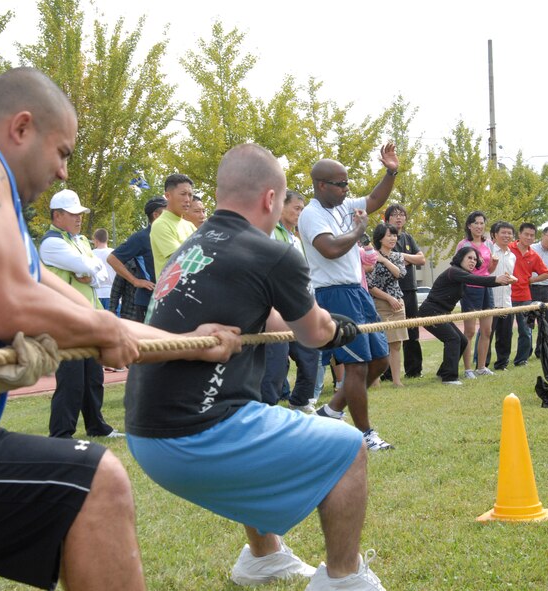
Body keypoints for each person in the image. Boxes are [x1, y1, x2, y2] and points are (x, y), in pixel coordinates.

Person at [0, 67, 240, 590]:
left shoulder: (3, 230)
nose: (65, 174)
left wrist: (196, 345)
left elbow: (103, 326)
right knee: (95, 483)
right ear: (21, 128)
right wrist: (97, 327)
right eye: (62, 152)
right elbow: (12, 308)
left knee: (83, 494)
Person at [125, 143, 386, 590]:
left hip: (145, 435)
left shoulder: (192, 246)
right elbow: (312, 334)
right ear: (270, 199)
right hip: (195, 435)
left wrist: (321, 322)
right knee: (348, 449)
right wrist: (336, 328)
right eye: (283, 200)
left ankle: (263, 558)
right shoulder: (270, 252)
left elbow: (272, 318)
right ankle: (344, 580)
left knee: (253, 414)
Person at [298, 143, 400, 452]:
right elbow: (329, 250)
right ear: (321, 185)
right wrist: (358, 231)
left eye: (347, 183)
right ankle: (366, 434)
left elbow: (374, 199)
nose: (346, 189)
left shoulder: (344, 204)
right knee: (355, 367)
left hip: (358, 290)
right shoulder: (311, 215)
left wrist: (391, 171)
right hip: (334, 293)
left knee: (380, 360)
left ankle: (330, 412)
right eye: (340, 184)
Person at [40, 189, 121, 439]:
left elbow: (100, 272)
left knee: (93, 377)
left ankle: (97, 426)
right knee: (71, 379)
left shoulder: (81, 241)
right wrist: (90, 271)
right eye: (73, 214)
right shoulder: (52, 243)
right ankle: (61, 433)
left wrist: (90, 273)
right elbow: (87, 266)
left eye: (80, 214)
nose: (79, 218)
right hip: (66, 320)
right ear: (57, 215)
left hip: (88, 318)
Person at [418, 246, 516, 385]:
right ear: (460, 258)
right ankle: (449, 378)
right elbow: (477, 280)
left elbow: (478, 282)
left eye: (475, 259)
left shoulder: (461, 276)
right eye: (469, 258)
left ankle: (443, 372)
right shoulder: (454, 271)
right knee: (453, 339)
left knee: (462, 340)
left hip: (443, 313)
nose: (473, 262)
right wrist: (497, 279)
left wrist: (501, 281)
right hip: (430, 312)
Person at [261, 190, 321, 412]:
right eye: (296, 208)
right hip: (274, 311)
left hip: (298, 309)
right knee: (276, 364)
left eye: (302, 209)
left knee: (310, 352)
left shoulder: (295, 239)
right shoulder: (267, 233)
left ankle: (300, 402)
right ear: (280, 206)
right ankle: (266, 410)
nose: (300, 213)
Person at [106, 197, 165, 323]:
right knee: (149, 341)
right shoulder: (141, 237)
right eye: (167, 213)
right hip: (147, 301)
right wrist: (135, 281)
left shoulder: (170, 234)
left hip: (167, 298)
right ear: (156, 215)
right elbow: (112, 258)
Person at [384, 203, 426, 378]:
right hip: (389, 292)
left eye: (402, 214)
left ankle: (414, 370)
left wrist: (401, 257)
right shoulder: (383, 236)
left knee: (412, 330)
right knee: (389, 333)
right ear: (387, 219)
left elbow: (422, 259)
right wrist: (406, 260)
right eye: (395, 215)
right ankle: (386, 373)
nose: (399, 217)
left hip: (409, 289)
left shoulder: (408, 238)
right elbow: (385, 259)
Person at [456, 211, 498, 378]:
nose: (479, 226)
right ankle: (467, 369)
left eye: (482, 223)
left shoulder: (489, 243)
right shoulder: (463, 244)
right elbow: (459, 268)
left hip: (487, 287)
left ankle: (481, 367)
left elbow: (489, 270)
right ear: (469, 226)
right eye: (476, 223)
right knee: (470, 331)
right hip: (470, 288)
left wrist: (494, 264)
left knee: (487, 330)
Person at [367, 222, 408, 387]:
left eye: (394, 235)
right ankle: (375, 381)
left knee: (397, 344)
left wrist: (384, 260)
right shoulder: (370, 256)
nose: (392, 238)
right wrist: (388, 298)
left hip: (398, 302)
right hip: (380, 303)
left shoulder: (397, 256)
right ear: (379, 238)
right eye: (388, 235)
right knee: (379, 343)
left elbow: (400, 274)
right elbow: (370, 285)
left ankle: (397, 381)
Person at [508, 223, 548, 366]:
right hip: (506, 295)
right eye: (526, 234)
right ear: (519, 234)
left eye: (532, 235)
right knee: (505, 331)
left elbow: (546, 274)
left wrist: (532, 279)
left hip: (525, 297)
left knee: (526, 331)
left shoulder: (534, 255)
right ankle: (502, 362)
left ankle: (521, 360)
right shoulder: (508, 248)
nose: (529, 237)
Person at [150, 173, 197, 278]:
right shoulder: (160, 224)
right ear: (167, 196)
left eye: (190, 195)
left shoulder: (190, 226)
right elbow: (182, 260)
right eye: (183, 194)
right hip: (172, 291)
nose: (187, 199)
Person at [487, 221, 518, 371]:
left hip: (506, 301)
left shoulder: (512, 256)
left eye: (509, 233)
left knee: (505, 335)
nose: (506, 236)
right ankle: (483, 364)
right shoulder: (489, 252)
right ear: (494, 235)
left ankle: (502, 364)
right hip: (491, 299)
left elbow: (509, 275)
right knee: (487, 334)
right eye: (503, 233)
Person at [91, 228, 115, 311]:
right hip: (112, 293)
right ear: (107, 239)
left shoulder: (91, 254)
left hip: (96, 293)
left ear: (96, 240)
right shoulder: (114, 253)